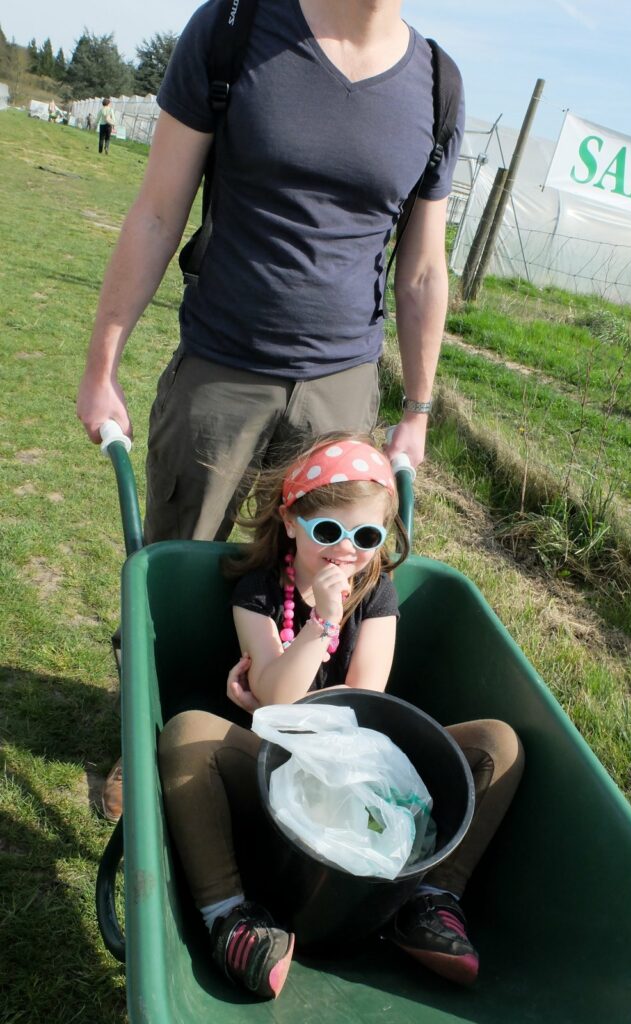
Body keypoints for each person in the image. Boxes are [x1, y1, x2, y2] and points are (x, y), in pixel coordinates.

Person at [79, 0, 464, 821]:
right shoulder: (233, 32)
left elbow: (424, 270)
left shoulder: (435, 85)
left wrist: (419, 408)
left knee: (324, 575)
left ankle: (281, 762)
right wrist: (101, 363)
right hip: (223, 371)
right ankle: (146, 741)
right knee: (180, 568)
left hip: (343, 388)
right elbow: (156, 210)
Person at [158, 434, 524, 998]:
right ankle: (228, 916)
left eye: (366, 536)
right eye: (327, 531)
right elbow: (278, 698)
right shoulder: (259, 591)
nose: (346, 550)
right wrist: (320, 625)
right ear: (289, 522)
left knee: (497, 744)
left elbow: (363, 703)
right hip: (273, 774)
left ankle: (428, 901)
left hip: (356, 773)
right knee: (187, 733)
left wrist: (276, 702)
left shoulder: (377, 593)